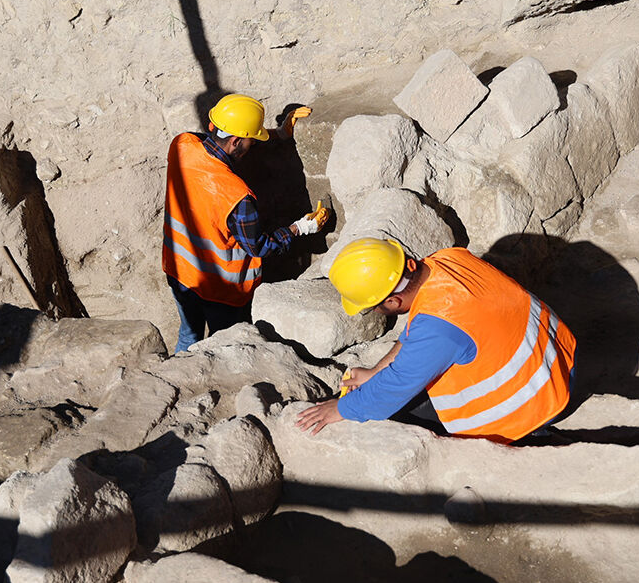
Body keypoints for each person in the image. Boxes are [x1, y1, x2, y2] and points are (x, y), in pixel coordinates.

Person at [295, 238, 577, 444]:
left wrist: (340, 409)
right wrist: (375, 372)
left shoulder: (439, 326)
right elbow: (417, 331)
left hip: (533, 401)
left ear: (393, 301)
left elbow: (392, 390)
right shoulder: (447, 261)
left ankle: (536, 436)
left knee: (399, 415)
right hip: (559, 361)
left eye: (373, 307)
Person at [161, 94, 325, 352]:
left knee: (188, 337)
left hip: (180, 271)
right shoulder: (236, 195)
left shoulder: (181, 145)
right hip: (221, 291)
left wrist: (279, 134)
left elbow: (218, 139)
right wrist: (300, 228)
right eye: (251, 139)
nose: (252, 145)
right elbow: (259, 248)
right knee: (222, 348)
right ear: (237, 141)